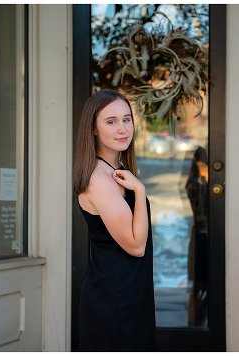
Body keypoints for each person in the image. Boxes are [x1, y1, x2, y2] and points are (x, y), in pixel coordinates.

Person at [72, 89, 155, 350]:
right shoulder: (99, 180)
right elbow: (135, 245)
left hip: (129, 293)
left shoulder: (116, 170)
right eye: (111, 121)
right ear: (93, 129)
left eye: (127, 119)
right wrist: (139, 191)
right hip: (113, 300)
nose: (123, 128)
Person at [184, 146, 209, 326]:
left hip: (210, 234)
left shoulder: (204, 182)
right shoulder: (194, 184)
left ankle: (200, 317)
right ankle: (194, 320)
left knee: (208, 279)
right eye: (200, 165)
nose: (203, 169)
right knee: (197, 280)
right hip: (200, 234)